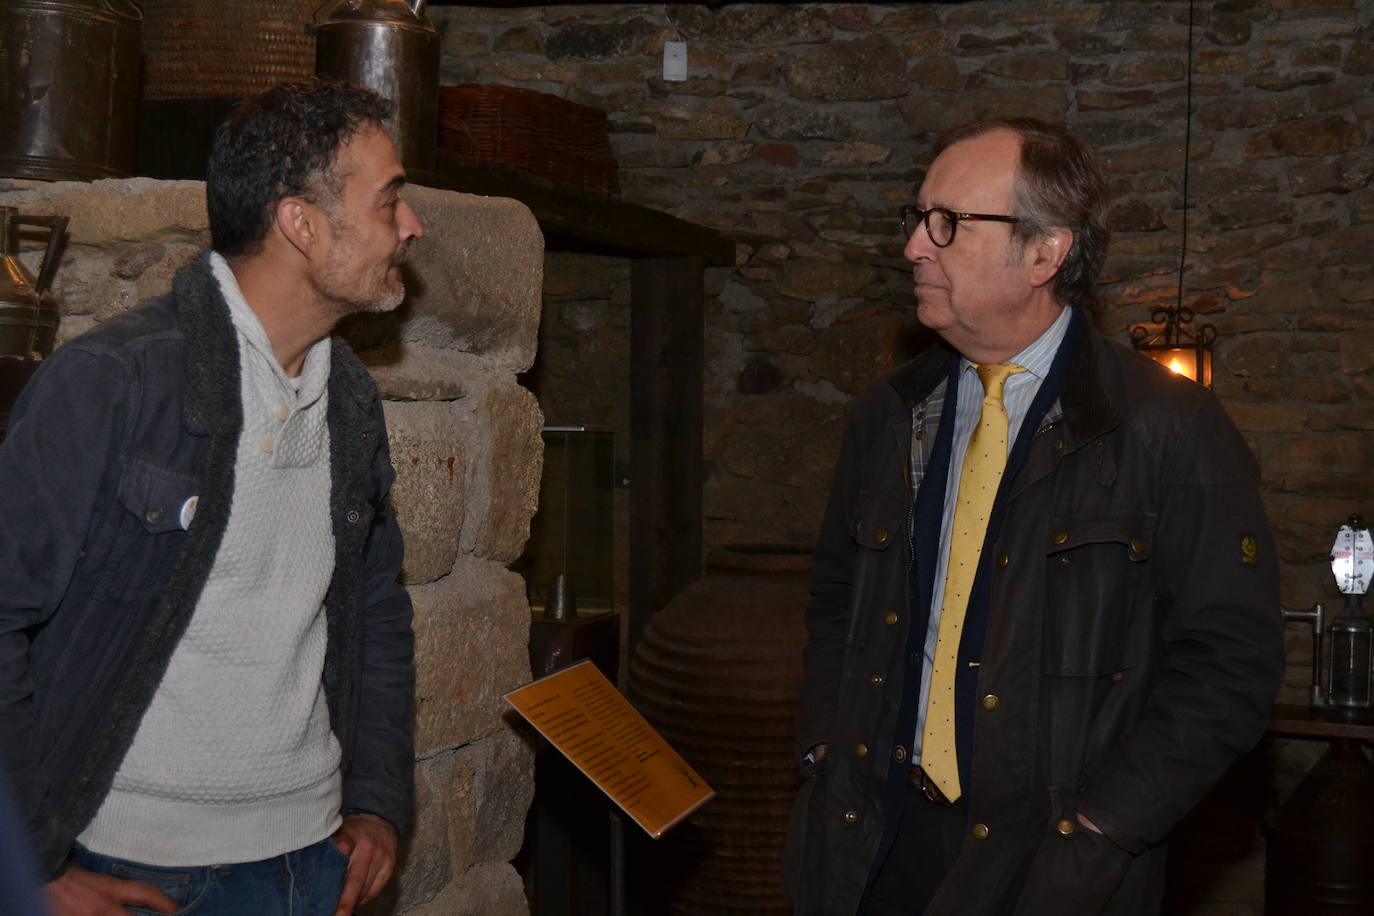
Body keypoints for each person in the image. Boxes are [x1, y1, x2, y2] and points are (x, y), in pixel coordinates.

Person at [784, 118, 1282, 915]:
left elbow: (1230, 665)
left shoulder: (1168, 429)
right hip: (874, 841)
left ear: (1046, 252)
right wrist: (825, 747)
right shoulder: (890, 415)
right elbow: (836, 600)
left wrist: (1101, 827)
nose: (914, 245)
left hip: (1053, 868)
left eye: (946, 223)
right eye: (915, 217)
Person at [0, 80, 422, 915]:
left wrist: (377, 802)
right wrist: (27, 869)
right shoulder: (113, 383)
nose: (411, 226)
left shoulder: (350, 403)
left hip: (309, 865)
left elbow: (376, 613)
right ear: (300, 224)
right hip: (132, 869)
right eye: (390, 200)